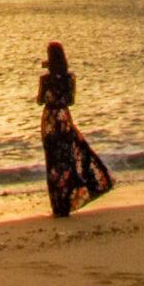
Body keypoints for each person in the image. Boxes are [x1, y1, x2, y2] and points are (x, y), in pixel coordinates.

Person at [37, 39, 113, 218]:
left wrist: (49, 78)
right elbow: (70, 100)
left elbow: (40, 100)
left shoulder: (45, 79)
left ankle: (58, 205)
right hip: (64, 120)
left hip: (49, 122)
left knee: (54, 164)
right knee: (68, 160)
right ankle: (69, 199)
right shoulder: (69, 78)